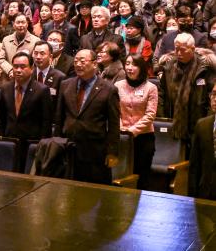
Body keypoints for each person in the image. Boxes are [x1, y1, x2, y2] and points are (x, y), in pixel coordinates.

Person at [54, 48, 120, 185]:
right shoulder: (66, 84)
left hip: (95, 151)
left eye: (82, 61)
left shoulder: (109, 89)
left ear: (94, 64)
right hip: (68, 147)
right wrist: (56, 142)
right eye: (76, 61)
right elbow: (59, 117)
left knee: (93, 192)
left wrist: (112, 152)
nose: (78, 64)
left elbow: (114, 124)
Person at [157, 32, 216, 156]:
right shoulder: (169, 67)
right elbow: (161, 93)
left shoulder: (204, 68)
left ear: (193, 49)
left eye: (183, 50)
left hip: (198, 122)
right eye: (176, 49)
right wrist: (163, 116)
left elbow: (212, 95)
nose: (178, 53)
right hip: (173, 121)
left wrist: (206, 122)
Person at [0, 51, 52, 171]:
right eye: (15, 66)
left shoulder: (42, 90)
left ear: (32, 68)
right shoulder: (5, 88)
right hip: (9, 142)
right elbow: (1, 118)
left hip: (31, 144)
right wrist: (1, 139)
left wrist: (42, 145)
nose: (18, 70)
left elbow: (46, 122)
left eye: (22, 67)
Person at [116, 53, 158, 189]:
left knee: (141, 177)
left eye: (134, 65)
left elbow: (150, 115)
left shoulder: (151, 88)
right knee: (122, 176)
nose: (129, 67)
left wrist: (132, 131)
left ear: (141, 68)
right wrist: (121, 128)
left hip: (143, 138)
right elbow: (114, 111)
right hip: (121, 136)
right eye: (127, 64)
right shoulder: (118, 86)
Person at [189, 82, 216, 199]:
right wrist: (191, 199)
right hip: (205, 193)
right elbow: (194, 167)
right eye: (213, 94)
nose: (215, 99)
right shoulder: (202, 125)